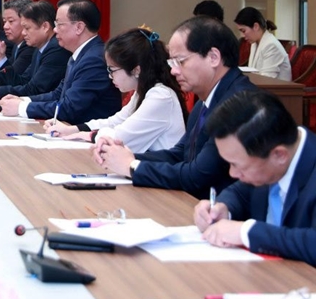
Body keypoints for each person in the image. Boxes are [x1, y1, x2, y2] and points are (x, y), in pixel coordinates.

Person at [94, 16, 257, 199]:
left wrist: (132, 166)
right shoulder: (206, 100)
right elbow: (181, 154)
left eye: (180, 61)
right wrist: (124, 156)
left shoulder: (239, 103)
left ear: (213, 57)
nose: (174, 70)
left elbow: (197, 176)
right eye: (172, 63)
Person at [194, 90, 316, 265]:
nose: (232, 174)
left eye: (238, 165)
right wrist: (223, 208)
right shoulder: (267, 159)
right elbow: (240, 192)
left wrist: (246, 232)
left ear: (279, 155)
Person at [54, 27, 187, 153]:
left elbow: (121, 138)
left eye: (112, 70)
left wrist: (89, 135)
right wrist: (73, 129)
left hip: (159, 168)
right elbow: (115, 121)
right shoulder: (144, 91)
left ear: (136, 70)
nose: (110, 76)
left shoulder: (160, 96)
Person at [0, 0, 121, 124]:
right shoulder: (81, 53)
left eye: (59, 24)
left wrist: (22, 108)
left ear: (79, 27)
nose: (55, 29)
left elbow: (69, 108)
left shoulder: (94, 59)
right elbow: (58, 94)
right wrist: (24, 100)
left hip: (86, 132)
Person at [0, 0, 69, 99]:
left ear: (45, 27)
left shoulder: (56, 50)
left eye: (27, 28)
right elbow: (21, 81)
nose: (23, 33)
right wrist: (0, 58)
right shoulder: (39, 48)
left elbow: (34, 90)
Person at [234, 7, 292, 81]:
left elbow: (267, 79)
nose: (242, 35)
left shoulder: (271, 46)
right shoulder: (255, 43)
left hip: (275, 87)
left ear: (256, 26)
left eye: (243, 31)